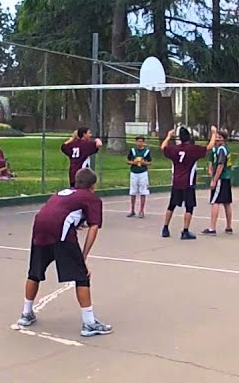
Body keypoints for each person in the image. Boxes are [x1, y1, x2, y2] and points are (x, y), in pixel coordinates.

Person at [16, 168, 112, 337]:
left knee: (34, 273)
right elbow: (94, 227)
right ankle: (89, 324)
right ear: (93, 186)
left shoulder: (62, 193)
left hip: (39, 228)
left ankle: (26, 314)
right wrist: (83, 257)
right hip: (60, 232)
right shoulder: (91, 198)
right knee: (82, 276)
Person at [160, 125, 216, 239]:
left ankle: (165, 228)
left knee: (171, 205)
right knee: (189, 207)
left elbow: (163, 147)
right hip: (188, 182)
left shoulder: (174, 149)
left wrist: (168, 136)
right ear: (189, 137)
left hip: (176, 181)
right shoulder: (193, 149)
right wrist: (214, 133)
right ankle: (185, 231)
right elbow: (209, 146)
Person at [204, 128, 234, 235]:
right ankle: (229, 227)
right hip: (226, 178)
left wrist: (214, 180)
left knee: (215, 201)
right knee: (227, 202)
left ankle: (212, 228)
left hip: (221, 178)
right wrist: (210, 168)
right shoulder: (219, 149)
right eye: (216, 137)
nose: (217, 139)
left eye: (219, 137)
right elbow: (212, 161)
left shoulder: (222, 149)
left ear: (224, 139)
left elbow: (220, 165)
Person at [126, 135, 152, 218]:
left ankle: (141, 210)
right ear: (136, 142)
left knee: (143, 192)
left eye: (141, 141)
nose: (139, 143)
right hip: (134, 172)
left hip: (143, 173)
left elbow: (150, 162)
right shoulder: (132, 151)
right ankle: (132, 210)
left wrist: (144, 163)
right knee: (133, 192)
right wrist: (133, 163)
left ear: (143, 142)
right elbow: (128, 161)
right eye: (138, 141)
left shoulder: (146, 151)